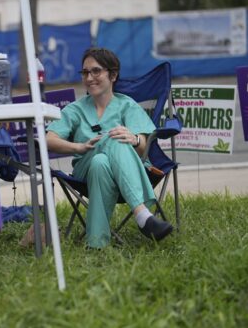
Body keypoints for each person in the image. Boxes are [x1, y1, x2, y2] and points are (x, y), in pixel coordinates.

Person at [46, 47, 173, 249]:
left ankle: (97, 244)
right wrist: (79, 147)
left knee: (101, 161)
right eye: (85, 72)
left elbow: (143, 150)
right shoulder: (75, 109)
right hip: (83, 171)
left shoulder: (127, 106)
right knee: (111, 138)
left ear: (113, 75)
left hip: (127, 169)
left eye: (96, 71)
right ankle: (142, 213)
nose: (89, 78)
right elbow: (49, 139)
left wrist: (134, 139)